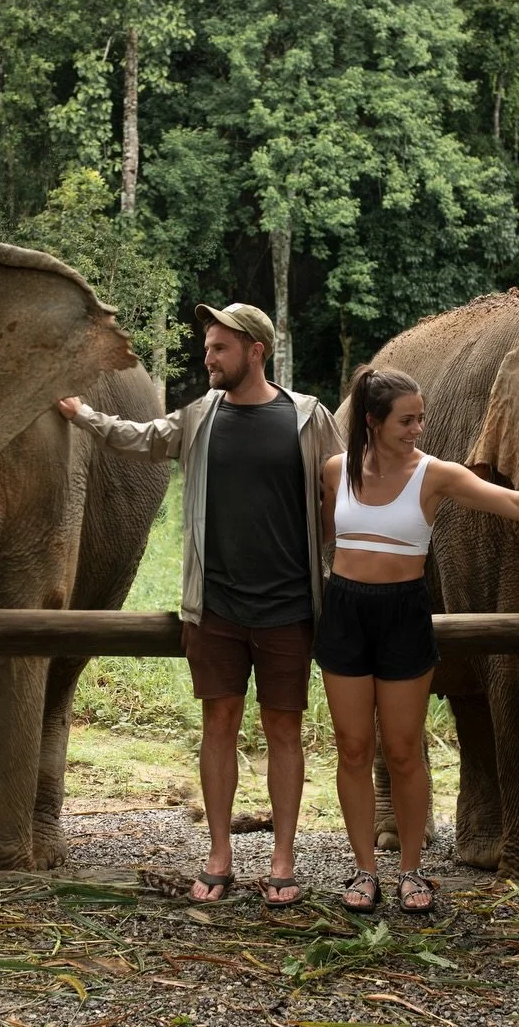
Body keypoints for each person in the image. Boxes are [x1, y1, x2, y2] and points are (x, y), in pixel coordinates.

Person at [317, 366, 519, 914]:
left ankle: (411, 873)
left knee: (403, 750)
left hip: (404, 615)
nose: (419, 428)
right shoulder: (335, 471)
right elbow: (325, 534)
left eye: (421, 418)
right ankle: (362, 871)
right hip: (345, 613)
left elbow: (515, 503)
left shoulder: (435, 475)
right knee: (354, 749)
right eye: (407, 420)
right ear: (372, 422)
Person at [57, 302, 342, 906]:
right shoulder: (200, 416)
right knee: (219, 725)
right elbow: (138, 439)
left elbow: (342, 493)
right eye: (208, 347)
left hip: (291, 607)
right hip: (214, 607)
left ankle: (283, 859)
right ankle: (219, 853)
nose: (208, 358)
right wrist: (82, 414)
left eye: (219, 349)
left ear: (255, 351)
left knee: (284, 731)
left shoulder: (307, 418)